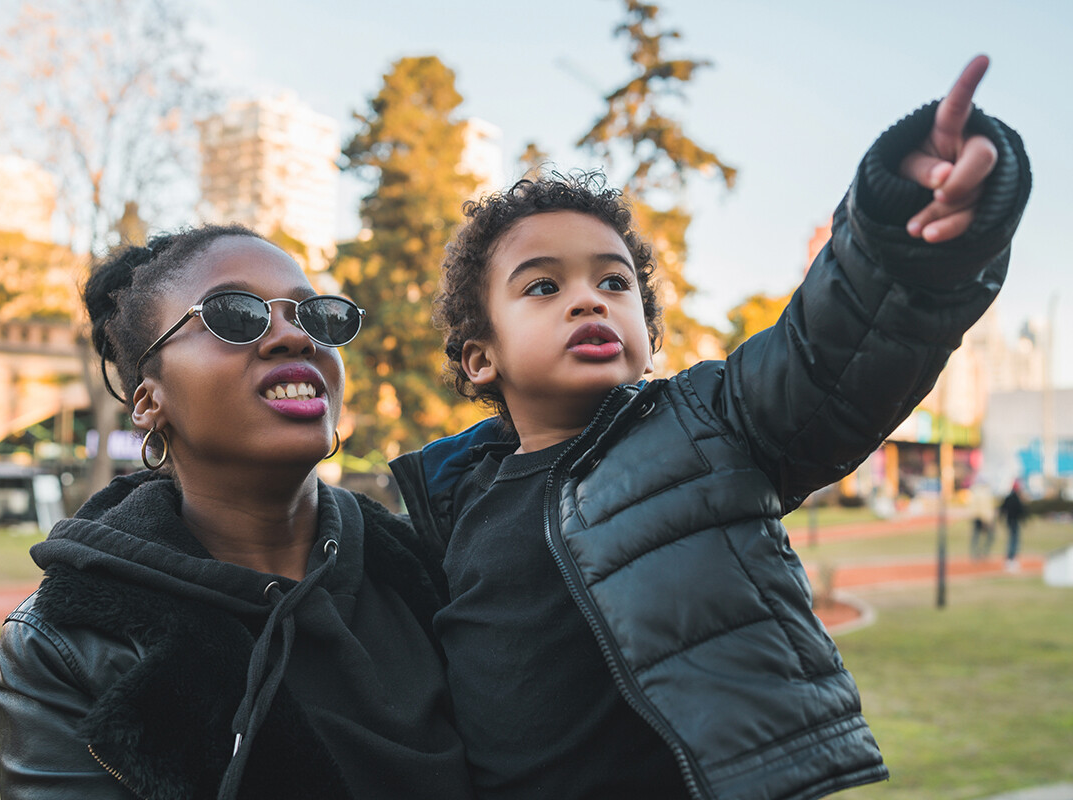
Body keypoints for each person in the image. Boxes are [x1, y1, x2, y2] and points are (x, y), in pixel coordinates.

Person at [390, 56, 1030, 800]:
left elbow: (831, 350)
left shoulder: (707, 428)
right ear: (479, 358)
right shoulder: (451, 504)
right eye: (543, 285)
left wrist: (904, 230)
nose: (588, 300)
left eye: (613, 280)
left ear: (647, 329)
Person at [0, 225, 474, 799]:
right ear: (149, 400)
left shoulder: (439, 566)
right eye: (237, 315)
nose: (295, 337)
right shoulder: (62, 644)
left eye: (314, 316)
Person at [1000, 479, 1028, 571]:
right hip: (1014, 522)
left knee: (1012, 539)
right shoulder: (1016, 498)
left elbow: (1002, 509)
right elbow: (1021, 511)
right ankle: (1011, 558)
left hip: (1010, 521)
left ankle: (1010, 557)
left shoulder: (1009, 497)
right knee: (1014, 540)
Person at [969, 480, 997, 559]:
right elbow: (984, 508)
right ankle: (982, 553)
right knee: (988, 536)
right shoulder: (984, 493)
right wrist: (986, 520)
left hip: (977, 517)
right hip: (982, 518)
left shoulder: (975, 492)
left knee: (976, 536)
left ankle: (976, 553)